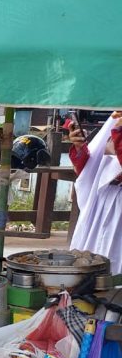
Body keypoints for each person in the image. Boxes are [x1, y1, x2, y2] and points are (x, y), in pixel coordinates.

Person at [67, 111, 122, 274]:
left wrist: (118, 132)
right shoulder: (116, 118)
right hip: (102, 201)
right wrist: (79, 147)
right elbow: (90, 169)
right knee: (89, 263)